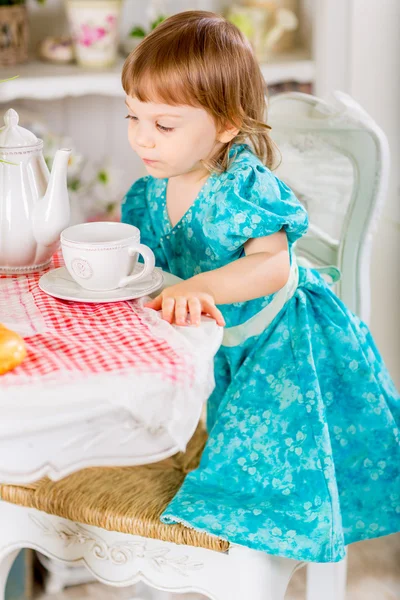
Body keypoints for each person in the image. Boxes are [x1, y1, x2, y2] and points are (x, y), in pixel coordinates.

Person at [121, 10, 400, 563]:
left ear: (226, 124)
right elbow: (149, 258)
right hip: (215, 345)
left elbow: (272, 265)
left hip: (280, 343)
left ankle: (252, 561)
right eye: (133, 117)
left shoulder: (242, 185)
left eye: (164, 125)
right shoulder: (152, 189)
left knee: (262, 481)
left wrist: (199, 286)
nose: (142, 139)